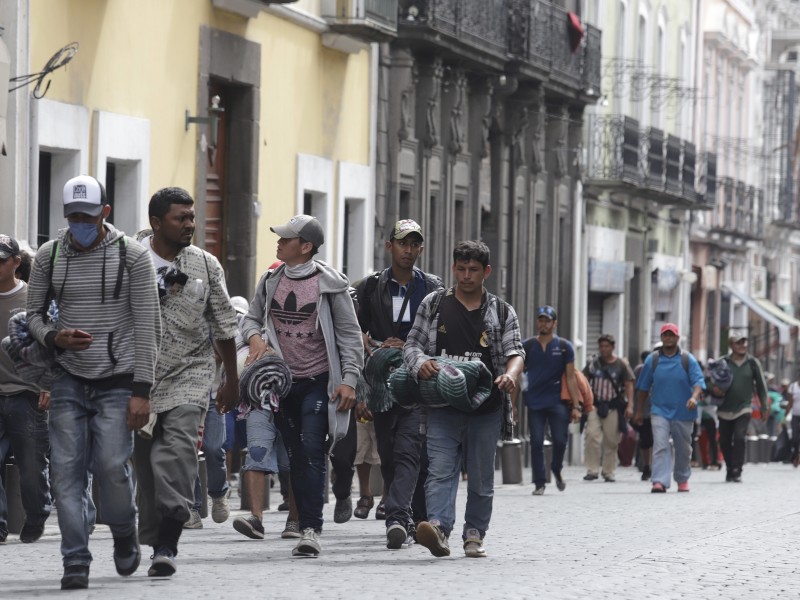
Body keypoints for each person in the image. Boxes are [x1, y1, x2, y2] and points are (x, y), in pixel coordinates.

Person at [26, 175, 161, 589]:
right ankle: (76, 560)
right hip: (67, 377)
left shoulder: (133, 255)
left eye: (87, 215)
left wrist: (142, 391)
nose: (79, 224)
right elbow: (32, 316)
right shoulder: (48, 256)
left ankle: (124, 531)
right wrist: (53, 336)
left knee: (110, 468)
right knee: (65, 473)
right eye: (72, 217)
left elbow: (148, 324)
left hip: (119, 381)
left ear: (105, 212)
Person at [240, 214, 363, 557]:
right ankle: (303, 520)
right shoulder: (270, 279)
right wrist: (253, 339)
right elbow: (251, 318)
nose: (279, 242)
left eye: (286, 238)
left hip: (319, 381)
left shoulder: (330, 284)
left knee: (311, 449)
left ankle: (311, 529)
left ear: (305, 247)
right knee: (294, 454)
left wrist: (349, 380)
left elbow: (350, 336)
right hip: (281, 383)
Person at [131, 187, 238, 577]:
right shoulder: (130, 259)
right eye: (181, 218)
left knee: (173, 454)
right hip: (138, 375)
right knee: (144, 467)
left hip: (190, 375)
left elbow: (225, 324)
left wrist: (231, 380)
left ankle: (168, 542)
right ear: (157, 223)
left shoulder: (205, 265)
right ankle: (150, 534)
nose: (191, 224)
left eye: (192, 217)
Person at [404, 240, 524, 558]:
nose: (466, 276)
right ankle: (439, 528)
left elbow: (515, 353)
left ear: (486, 272)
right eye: (461, 269)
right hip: (442, 406)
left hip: (485, 408)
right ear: (453, 268)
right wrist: (420, 363)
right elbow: (411, 345)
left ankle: (474, 533)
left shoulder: (501, 311)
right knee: (440, 470)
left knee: (481, 477)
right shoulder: (433, 304)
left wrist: (510, 375)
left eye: (473, 270)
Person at [353, 219, 443, 548]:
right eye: (403, 243)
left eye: (415, 244)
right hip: (381, 383)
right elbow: (353, 334)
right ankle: (410, 515)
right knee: (388, 453)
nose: (409, 250)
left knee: (409, 447)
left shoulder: (433, 287)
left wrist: (411, 348)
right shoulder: (369, 287)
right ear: (389, 246)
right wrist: (371, 349)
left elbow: (439, 332)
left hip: (418, 380)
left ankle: (398, 517)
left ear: (421, 248)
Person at [0, 234, 51, 544]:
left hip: (27, 393)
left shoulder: (35, 300)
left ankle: (36, 513)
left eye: (1, 260)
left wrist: (50, 386)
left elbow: (52, 345)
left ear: (16, 263)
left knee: (31, 465)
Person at [634, 323, 705, 493]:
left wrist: (694, 398)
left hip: (684, 411)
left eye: (671, 335)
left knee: (683, 448)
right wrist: (638, 411)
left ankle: (682, 478)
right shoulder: (653, 360)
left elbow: (698, 383)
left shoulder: (687, 359)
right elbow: (643, 387)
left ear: (677, 338)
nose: (668, 338)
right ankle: (659, 480)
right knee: (660, 445)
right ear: (661, 338)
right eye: (665, 335)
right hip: (659, 410)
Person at [523, 305, 581, 495]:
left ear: (554, 324)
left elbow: (571, 378)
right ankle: (539, 482)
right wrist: (512, 405)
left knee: (560, 440)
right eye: (541, 320)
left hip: (558, 402)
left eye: (547, 320)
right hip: (534, 402)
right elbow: (517, 377)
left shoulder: (564, 347)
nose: (543, 324)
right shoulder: (528, 346)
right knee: (536, 441)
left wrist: (576, 406)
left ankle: (556, 467)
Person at [582, 333, 634, 483]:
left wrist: (630, 405)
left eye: (607, 346)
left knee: (612, 440)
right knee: (592, 435)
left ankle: (608, 471)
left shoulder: (621, 365)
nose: (603, 349)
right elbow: (584, 379)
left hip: (613, 406)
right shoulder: (594, 363)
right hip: (595, 405)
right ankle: (592, 469)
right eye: (601, 346)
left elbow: (629, 384)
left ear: (612, 347)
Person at [717, 330, 767, 482]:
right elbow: (710, 381)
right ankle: (729, 466)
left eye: (744, 342)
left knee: (739, 437)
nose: (742, 345)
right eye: (738, 342)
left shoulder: (752, 363)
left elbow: (761, 385)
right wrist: (714, 389)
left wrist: (764, 406)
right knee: (724, 440)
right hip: (724, 408)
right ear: (731, 345)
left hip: (744, 407)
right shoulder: (723, 362)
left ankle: (737, 469)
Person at [632, 350, 654, 480]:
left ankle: (656, 466)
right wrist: (636, 410)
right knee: (646, 440)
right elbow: (635, 390)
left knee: (658, 440)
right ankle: (646, 465)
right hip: (645, 412)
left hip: (661, 411)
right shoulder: (639, 371)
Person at [787, 377, 800, 467]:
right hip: (795, 415)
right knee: (795, 438)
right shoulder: (793, 386)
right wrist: (786, 414)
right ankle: (795, 455)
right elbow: (790, 402)